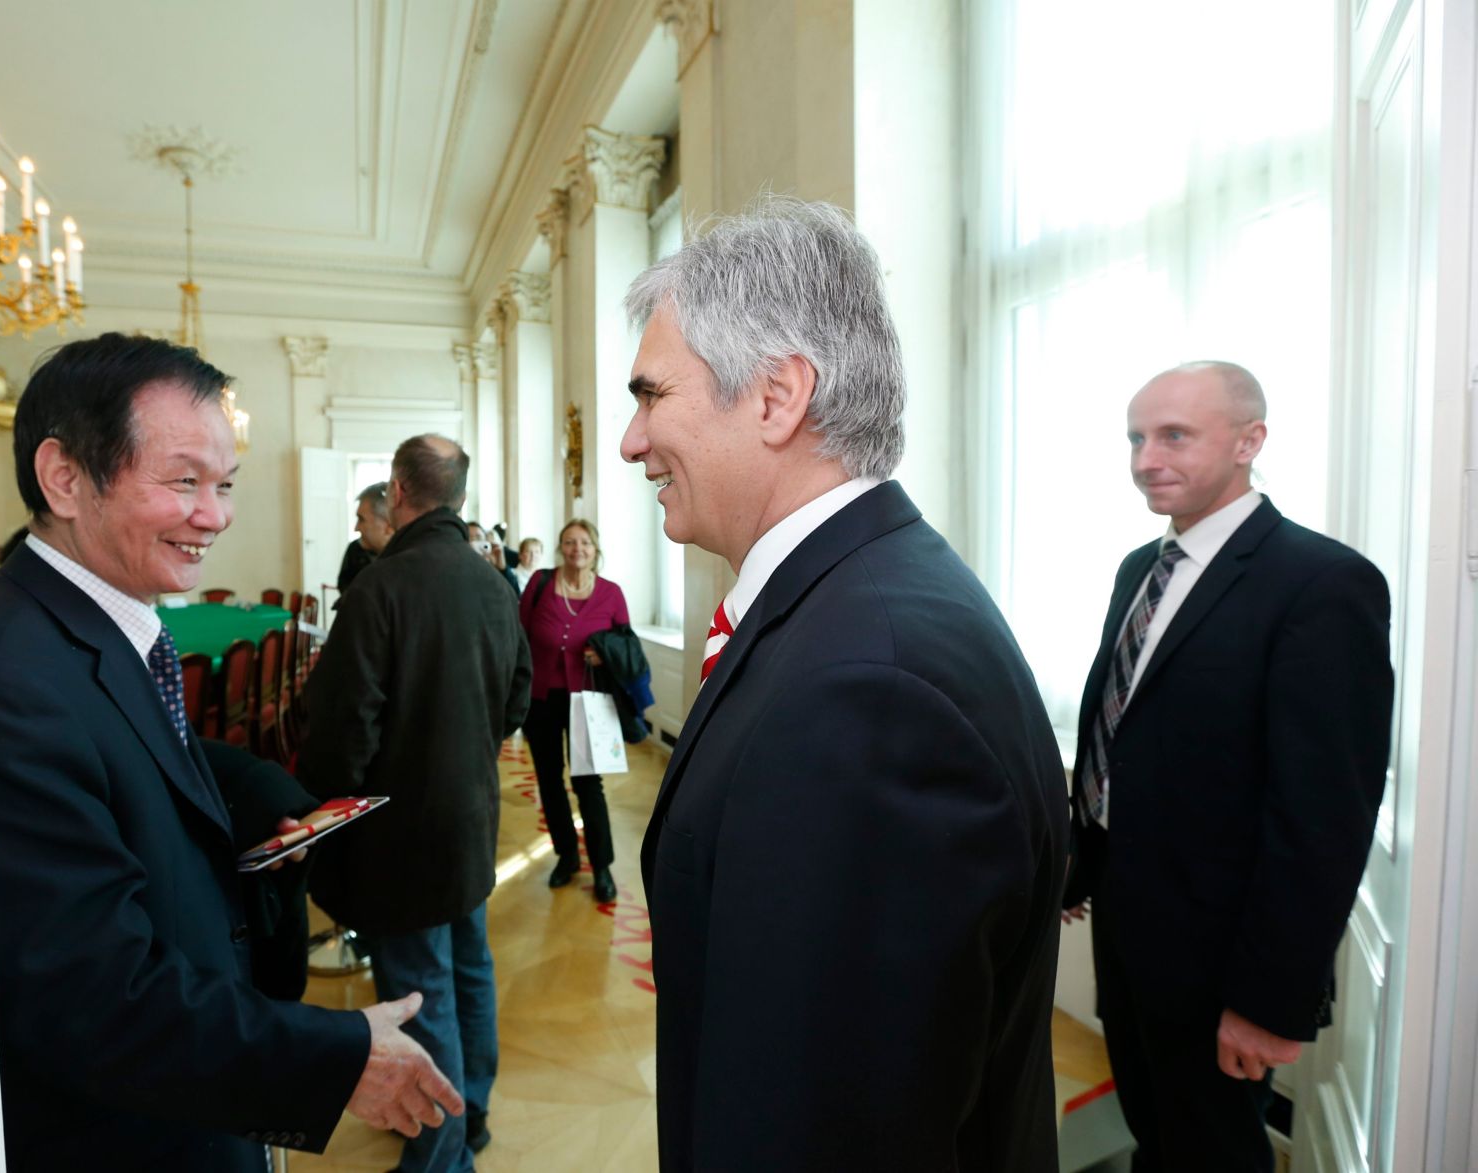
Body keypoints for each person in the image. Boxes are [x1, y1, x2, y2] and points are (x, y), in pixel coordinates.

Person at [622, 197, 1067, 1170]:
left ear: (777, 397)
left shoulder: (864, 692)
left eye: (650, 395)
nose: (629, 440)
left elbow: (827, 1133)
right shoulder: (861, 605)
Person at [0, 333, 461, 1172]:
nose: (216, 515)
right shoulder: (9, 667)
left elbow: (126, 748)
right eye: (183, 481)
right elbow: (94, 997)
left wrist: (239, 783)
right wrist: (334, 1056)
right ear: (64, 478)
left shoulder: (90, 618)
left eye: (224, 485)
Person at [1062, 362, 1393, 1171]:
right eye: (1136, 438)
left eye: (1174, 435)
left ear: (1251, 440)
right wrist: (1079, 865)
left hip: (1222, 955)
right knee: (1157, 1128)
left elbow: (1322, 819)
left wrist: (1267, 1003)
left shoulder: (1321, 585)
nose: (1145, 458)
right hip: (1130, 921)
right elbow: (1125, 733)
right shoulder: (1140, 566)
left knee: (1211, 1150)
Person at [301, 435, 533, 1172]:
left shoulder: (380, 587)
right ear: (457, 496)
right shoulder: (495, 585)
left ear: (399, 491)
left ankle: (441, 1155)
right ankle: (475, 1112)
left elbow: (344, 735)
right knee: (469, 967)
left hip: (399, 833)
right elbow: (517, 698)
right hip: (468, 817)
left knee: (420, 990)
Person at [517, 519, 631, 903]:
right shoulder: (540, 585)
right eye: (568, 542)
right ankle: (566, 856)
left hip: (590, 700)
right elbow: (520, 636)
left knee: (588, 784)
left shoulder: (611, 593)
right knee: (549, 782)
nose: (576, 549)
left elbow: (625, 645)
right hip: (542, 700)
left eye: (583, 542)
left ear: (595, 548)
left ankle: (601, 866)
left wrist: (604, 655)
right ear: (560, 548)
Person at [336, 481, 394, 596]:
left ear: (388, 525)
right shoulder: (355, 550)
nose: (356, 528)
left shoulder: (410, 564)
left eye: (361, 519)